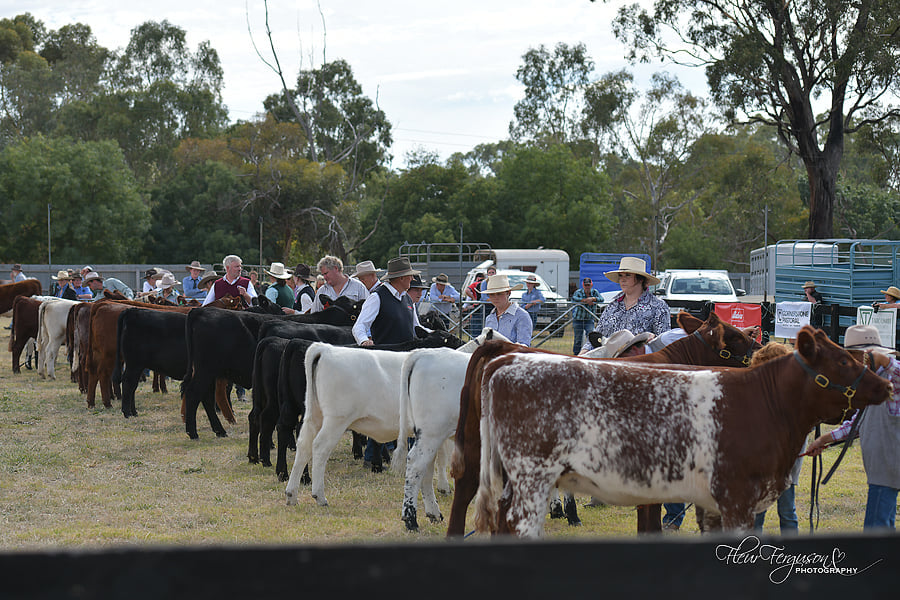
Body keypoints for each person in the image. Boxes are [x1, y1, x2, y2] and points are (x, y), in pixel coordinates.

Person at [807, 325, 900, 530]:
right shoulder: (872, 384)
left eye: (854, 360)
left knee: (876, 527)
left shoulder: (891, 376)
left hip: (889, 466)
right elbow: (858, 422)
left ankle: (880, 560)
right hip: (881, 468)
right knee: (883, 525)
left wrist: (886, 361)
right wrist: (824, 439)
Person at [749, 341, 801, 534]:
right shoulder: (757, 390)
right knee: (759, 512)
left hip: (785, 462)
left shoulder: (794, 393)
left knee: (786, 511)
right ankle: (751, 550)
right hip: (762, 463)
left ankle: (791, 552)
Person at [582, 257, 670, 355]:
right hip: (608, 362)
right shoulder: (612, 306)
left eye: (628, 275)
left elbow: (663, 342)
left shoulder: (658, 306)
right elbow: (598, 333)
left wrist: (652, 337)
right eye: (620, 275)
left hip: (640, 364)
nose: (622, 279)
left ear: (640, 279)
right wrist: (582, 354)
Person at [352, 256, 422, 346]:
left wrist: (435, 334)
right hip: (385, 357)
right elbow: (359, 325)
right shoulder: (377, 297)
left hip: (405, 356)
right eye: (410, 275)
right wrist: (364, 341)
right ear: (401, 278)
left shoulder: (407, 298)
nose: (412, 278)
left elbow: (416, 326)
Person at [483, 274, 532, 346]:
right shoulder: (489, 318)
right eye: (492, 294)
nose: (495, 298)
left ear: (508, 293)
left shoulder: (522, 316)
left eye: (499, 294)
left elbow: (524, 345)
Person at [571, 277, 602, 355]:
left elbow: (601, 299)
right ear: (583, 285)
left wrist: (593, 299)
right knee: (577, 339)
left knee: (591, 337)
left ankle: (590, 353)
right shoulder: (578, 292)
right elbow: (574, 298)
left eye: (588, 285)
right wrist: (585, 300)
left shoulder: (595, 292)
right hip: (578, 319)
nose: (587, 287)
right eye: (585, 285)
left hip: (589, 319)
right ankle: (576, 355)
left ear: (591, 285)